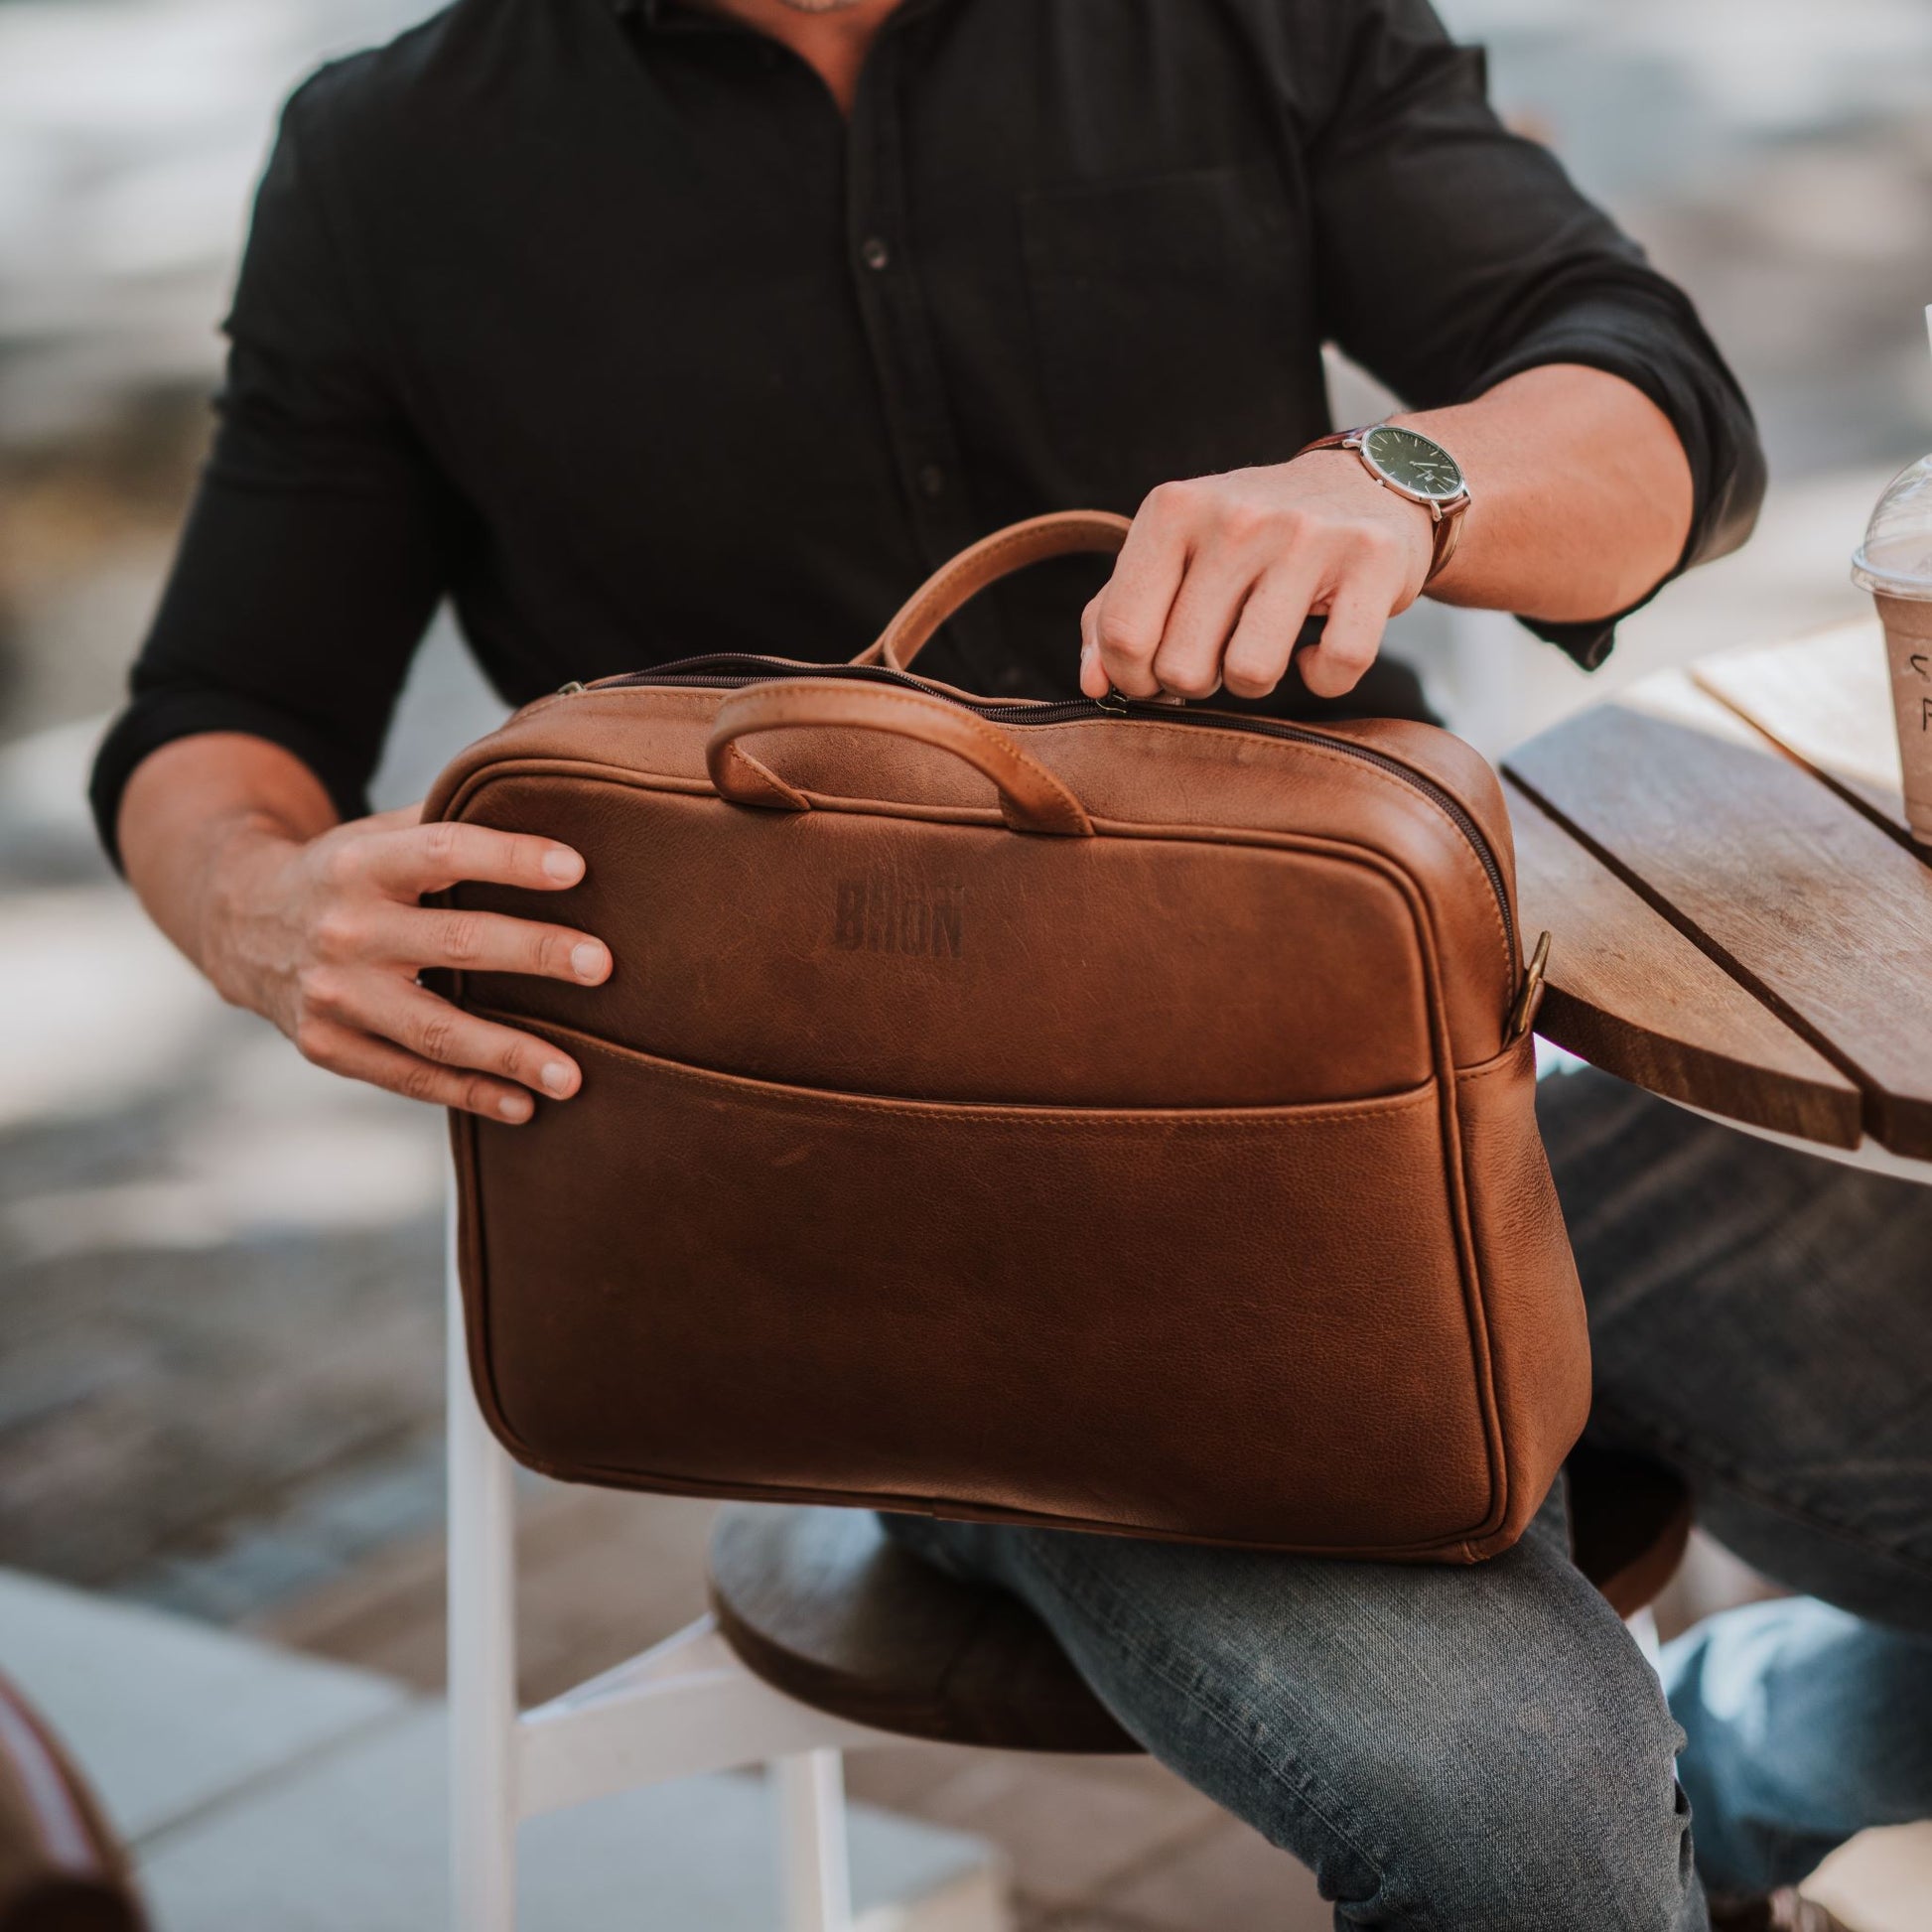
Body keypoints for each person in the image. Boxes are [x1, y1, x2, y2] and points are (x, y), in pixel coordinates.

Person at [88, 1, 1930, 1924]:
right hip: (930, 1269)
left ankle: (1734, 1755)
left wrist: (1397, 482)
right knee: (1530, 1812)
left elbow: (1653, 411)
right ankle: (1656, 1801)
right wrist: (253, 902)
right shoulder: (390, 154)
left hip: (1419, 1102)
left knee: (1621, 1791)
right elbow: (221, 709)